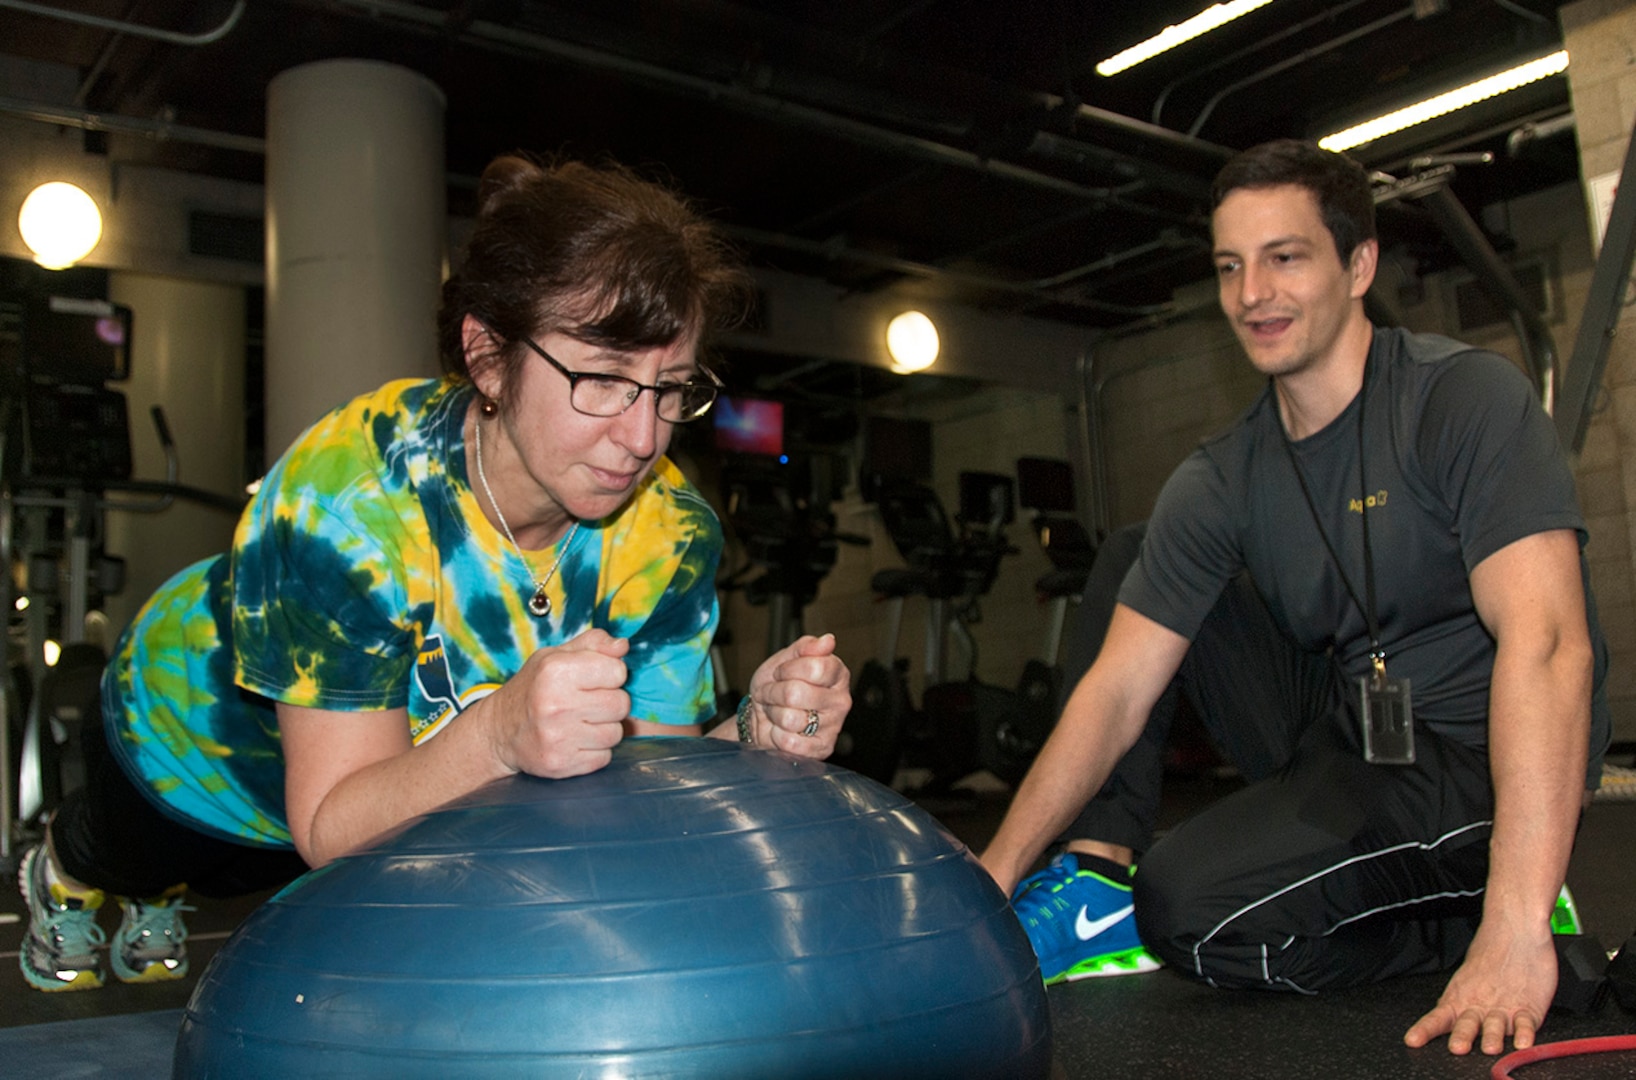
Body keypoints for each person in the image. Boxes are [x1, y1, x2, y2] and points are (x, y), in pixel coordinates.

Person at [18, 153, 852, 993]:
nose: (643, 438)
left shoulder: (671, 533)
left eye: (669, 389)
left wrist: (752, 739)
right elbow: (329, 822)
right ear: (488, 356)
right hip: (190, 751)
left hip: (373, 808)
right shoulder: (346, 500)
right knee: (135, 858)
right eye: (602, 381)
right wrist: (496, 733)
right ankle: (60, 871)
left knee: (262, 885)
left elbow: (646, 775)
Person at [980, 138, 1610, 1057]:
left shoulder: (1460, 400)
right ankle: (1094, 888)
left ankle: (1502, 897)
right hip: (1353, 731)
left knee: (1192, 909)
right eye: (1231, 266)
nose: (1252, 295)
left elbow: (1552, 647)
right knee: (1134, 554)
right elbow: (1115, 691)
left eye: (1285, 257)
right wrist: (994, 875)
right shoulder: (1227, 473)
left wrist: (1511, 930)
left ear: (1358, 266)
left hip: (1485, 757)